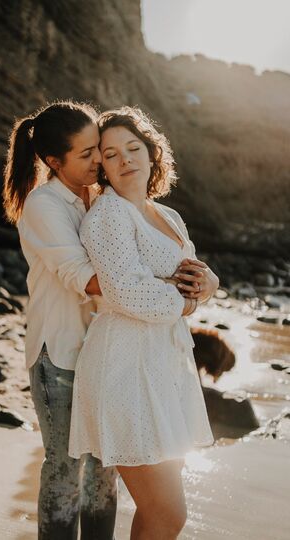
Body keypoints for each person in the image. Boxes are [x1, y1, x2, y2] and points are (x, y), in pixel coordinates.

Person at [68, 106, 219, 539]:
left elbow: (192, 278)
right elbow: (129, 294)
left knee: (160, 511)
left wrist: (211, 282)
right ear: (102, 166)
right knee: (167, 511)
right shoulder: (108, 217)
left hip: (163, 368)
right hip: (124, 369)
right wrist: (190, 302)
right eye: (111, 154)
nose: (125, 159)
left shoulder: (166, 216)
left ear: (152, 154)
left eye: (133, 148)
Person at [2, 100, 119, 540]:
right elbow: (84, 278)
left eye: (98, 148)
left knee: (107, 464)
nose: (99, 159)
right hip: (61, 354)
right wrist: (160, 291)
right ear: (55, 161)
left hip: (107, 349)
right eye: (86, 153)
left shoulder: (103, 197)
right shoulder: (43, 205)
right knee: (65, 466)